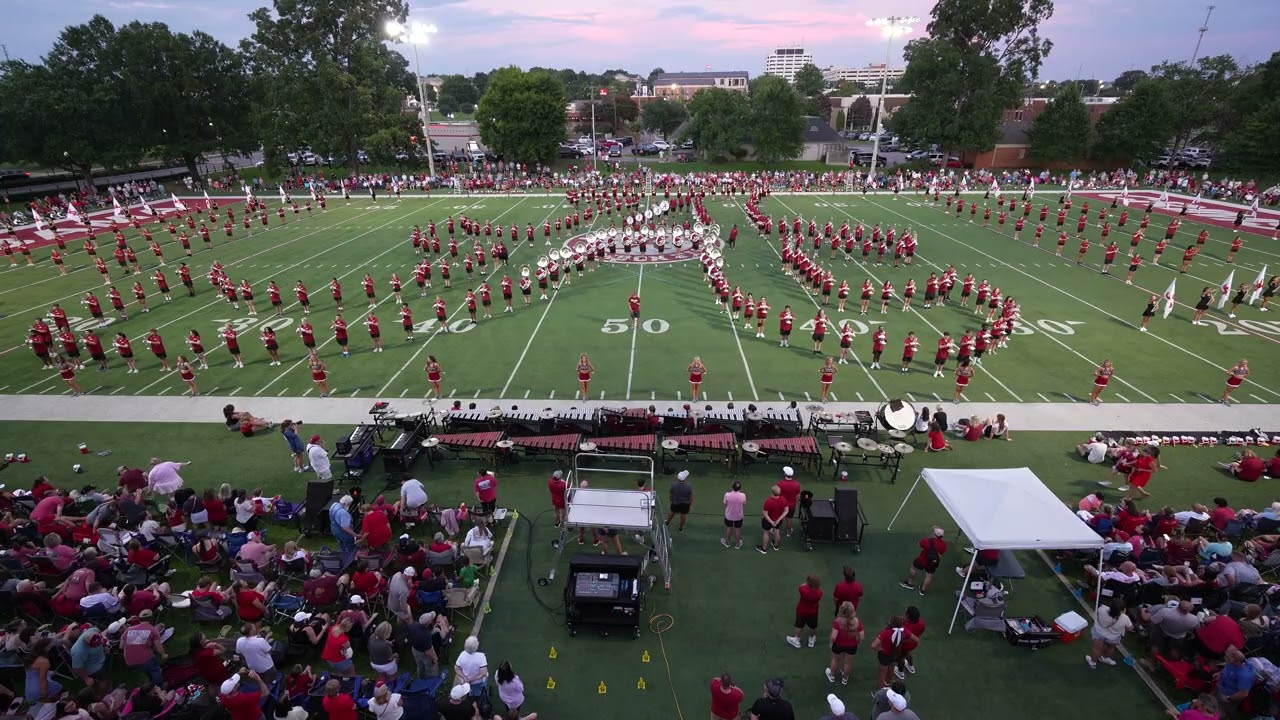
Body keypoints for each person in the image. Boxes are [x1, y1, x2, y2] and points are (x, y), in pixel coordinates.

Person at [1086, 597, 1133, 669]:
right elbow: (1130, 628)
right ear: (1123, 610)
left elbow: (1098, 614)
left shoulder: (1102, 609)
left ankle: (1093, 662)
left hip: (1099, 632)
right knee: (1111, 647)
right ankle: (1105, 658)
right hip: (1113, 637)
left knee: (1097, 649)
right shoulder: (1125, 618)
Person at [900, 526, 946, 596]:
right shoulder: (944, 545)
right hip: (933, 562)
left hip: (922, 560)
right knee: (929, 575)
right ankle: (922, 590)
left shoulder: (926, 540)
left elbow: (919, 544)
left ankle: (909, 583)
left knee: (913, 568)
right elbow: (940, 554)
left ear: (934, 534)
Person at [827, 601, 864, 686]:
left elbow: (833, 636)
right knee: (848, 663)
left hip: (838, 645)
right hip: (852, 646)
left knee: (835, 660)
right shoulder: (857, 622)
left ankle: (832, 676)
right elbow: (862, 637)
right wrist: (858, 643)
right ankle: (845, 678)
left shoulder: (838, 622)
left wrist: (831, 643)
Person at [786, 575, 824, 649]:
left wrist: (808, 582)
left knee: (799, 625)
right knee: (812, 626)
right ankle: (811, 640)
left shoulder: (802, 589)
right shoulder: (819, 593)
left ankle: (797, 640)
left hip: (801, 611)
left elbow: (802, 585)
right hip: (813, 612)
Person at [757, 485, 788, 555]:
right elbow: (786, 511)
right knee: (777, 532)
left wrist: (771, 522)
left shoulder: (768, 501)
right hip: (778, 520)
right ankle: (776, 546)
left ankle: (764, 549)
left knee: (766, 533)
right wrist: (778, 520)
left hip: (768, 521)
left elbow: (765, 514)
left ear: (772, 492)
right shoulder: (783, 499)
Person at [722, 481, 746, 549]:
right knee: (738, 529)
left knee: (729, 528)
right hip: (739, 516)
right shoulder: (743, 495)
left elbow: (725, 504)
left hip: (729, 515)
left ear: (732, 487)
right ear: (740, 488)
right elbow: (744, 504)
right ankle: (738, 544)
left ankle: (727, 542)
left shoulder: (727, 495)